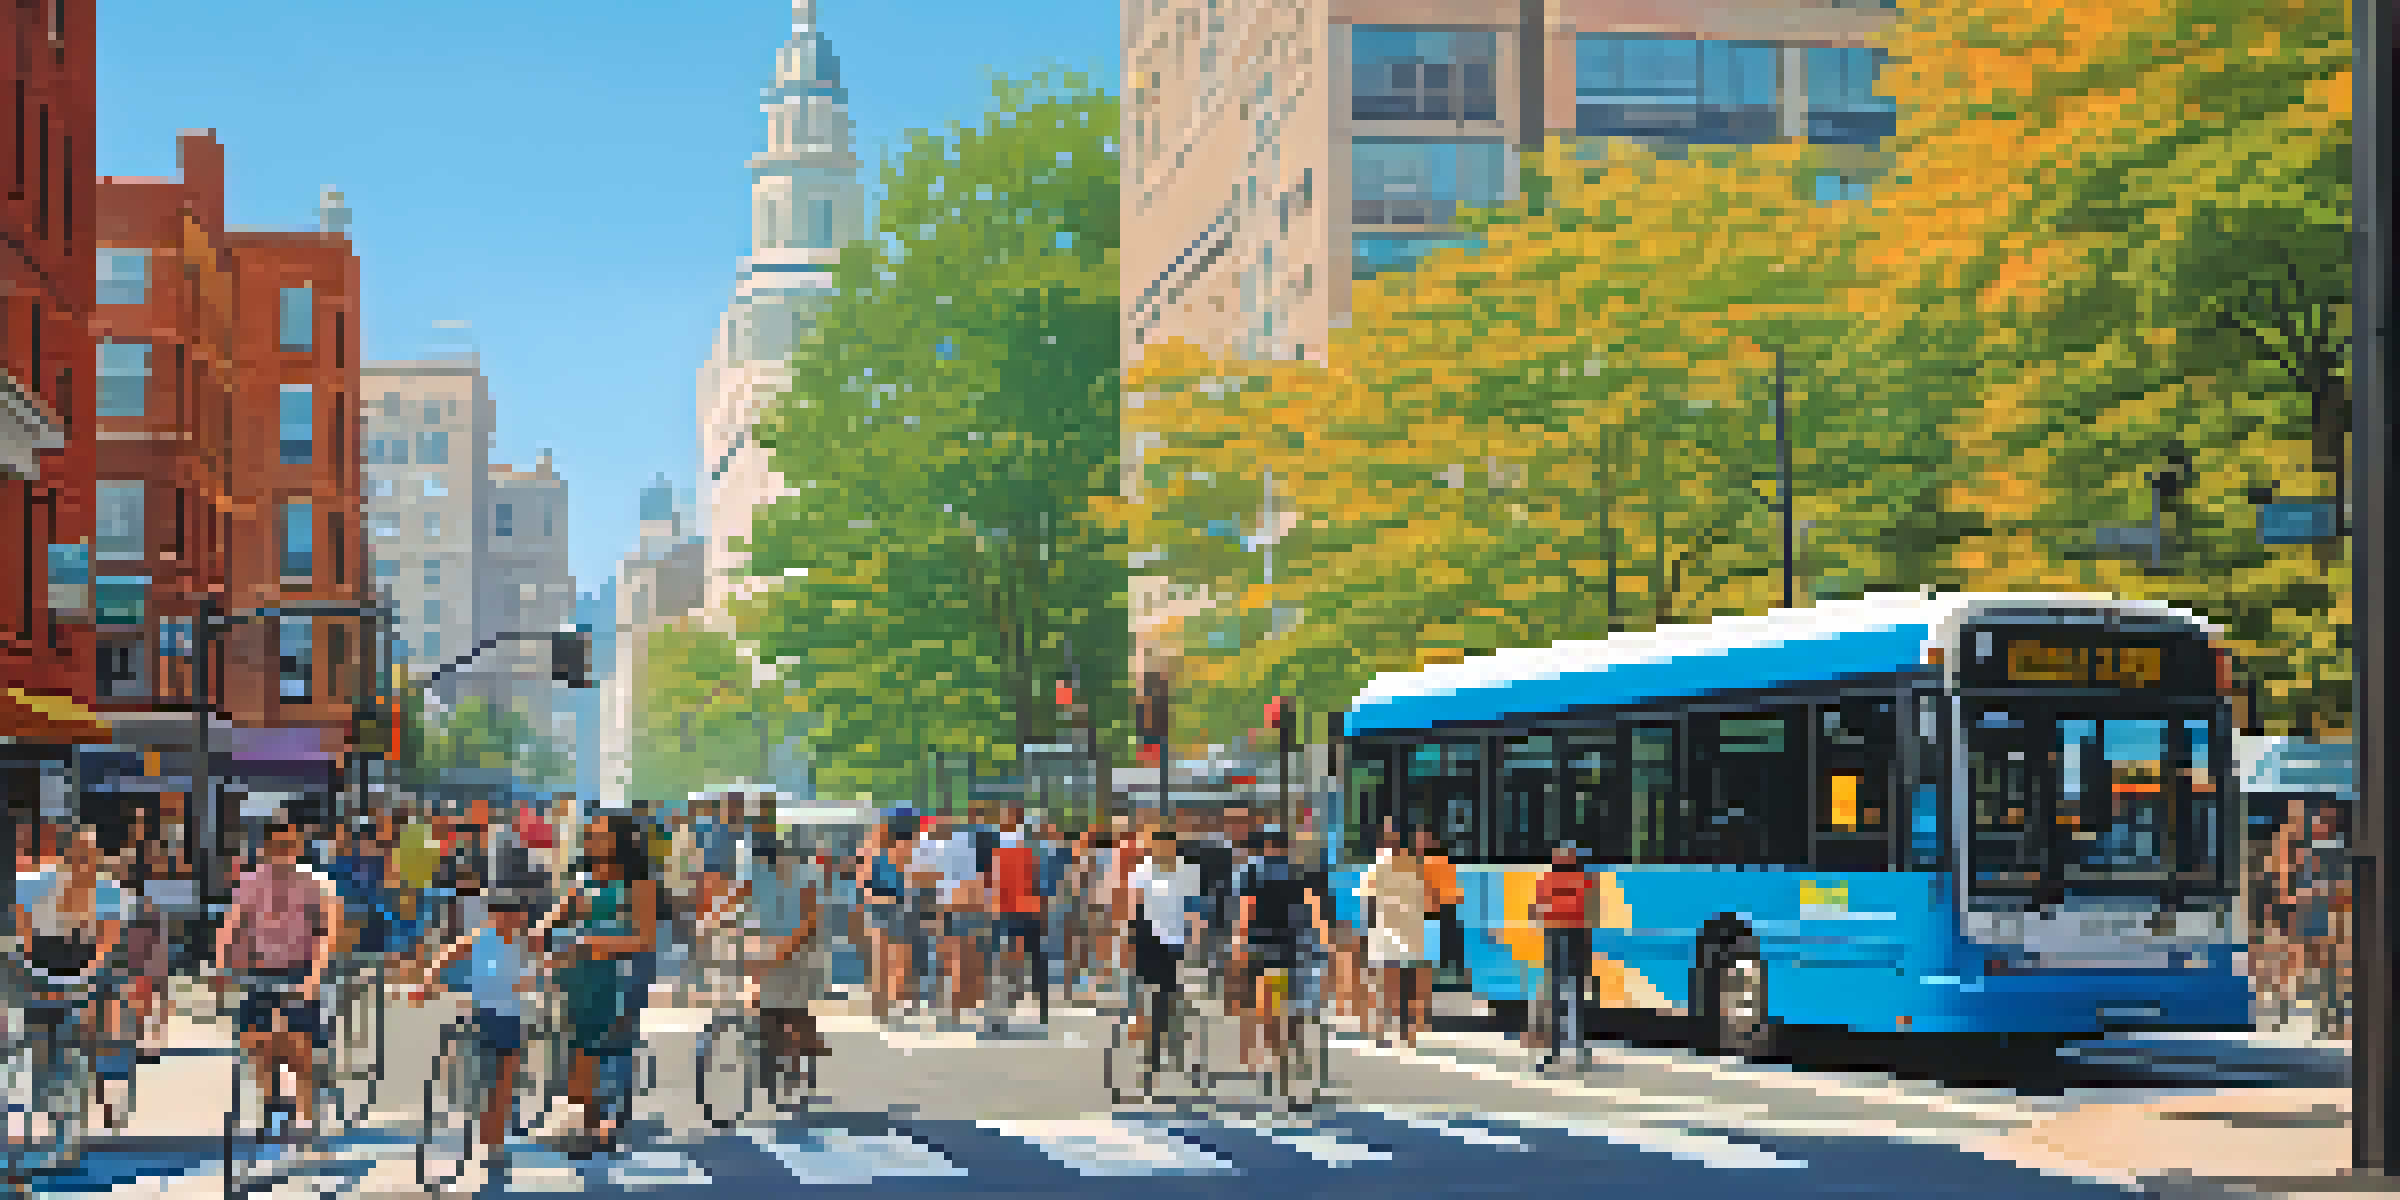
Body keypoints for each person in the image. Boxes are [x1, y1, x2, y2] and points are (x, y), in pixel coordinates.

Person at [543, 813, 660, 1154]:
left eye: (600, 834)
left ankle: (608, 1126)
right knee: (582, 1047)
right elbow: (559, 915)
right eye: (591, 834)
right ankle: (591, 1123)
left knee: (614, 1046)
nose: (592, 840)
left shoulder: (639, 884)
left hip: (623, 975)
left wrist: (597, 943)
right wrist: (539, 930)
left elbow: (645, 938)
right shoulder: (583, 881)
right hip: (583, 976)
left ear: (619, 841)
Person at [215, 822, 339, 1136]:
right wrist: (222, 965)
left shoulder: (317, 882)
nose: (283, 852)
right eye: (277, 845)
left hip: (302, 970)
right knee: (256, 1041)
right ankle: (272, 1102)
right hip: (261, 970)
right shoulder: (251, 882)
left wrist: (314, 976)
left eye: (289, 845)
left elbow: (326, 932)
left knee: (300, 1046)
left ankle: (306, 1116)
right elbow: (232, 924)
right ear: (266, 848)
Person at [417, 878, 547, 1163]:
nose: (507, 917)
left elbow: (537, 975)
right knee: (486, 1086)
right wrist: (428, 981)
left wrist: (526, 984)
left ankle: (493, 1146)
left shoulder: (528, 942)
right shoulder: (479, 937)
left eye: (512, 912)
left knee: (504, 1086)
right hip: (481, 1018)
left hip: (512, 1020)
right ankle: (488, 1138)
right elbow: (446, 956)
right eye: (500, 911)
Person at [1232, 829, 1331, 1072]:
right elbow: (1312, 906)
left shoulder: (1253, 873)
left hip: (1263, 944)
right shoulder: (1297, 873)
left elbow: (1246, 908)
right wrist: (1322, 938)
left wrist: (1239, 941)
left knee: (1268, 1002)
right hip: (1289, 944)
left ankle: (1277, 1049)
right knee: (1286, 1000)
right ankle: (1285, 1048)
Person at [745, 829, 831, 1092]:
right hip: (771, 949)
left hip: (802, 951)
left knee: (790, 1005)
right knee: (766, 1007)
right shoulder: (758, 879)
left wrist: (784, 948)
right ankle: (777, 1059)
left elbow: (811, 920)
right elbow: (740, 908)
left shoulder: (803, 877)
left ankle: (804, 1048)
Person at [1125, 828, 1200, 1062]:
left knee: (1165, 991)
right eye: (1156, 847)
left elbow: (1194, 906)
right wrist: (1129, 935)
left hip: (1173, 938)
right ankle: (1144, 1025)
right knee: (1144, 985)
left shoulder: (1187, 871)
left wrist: (1195, 932)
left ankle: (1158, 1039)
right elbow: (1133, 904)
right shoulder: (1143, 870)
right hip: (1146, 935)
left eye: (1166, 847)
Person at [1360, 827, 1434, 1047]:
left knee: (1393, 985)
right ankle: (1399, 1031)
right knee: (1399, 984)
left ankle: (1395, 1030)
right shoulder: (1410, 866)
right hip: (1399, 933)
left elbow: (1368, 902)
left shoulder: (1382, 867)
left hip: (1396, 933)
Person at [1528, 842, 1596, 1070]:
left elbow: (1539, 910)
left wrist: (1547, 912)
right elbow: (1537, 910)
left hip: (1568, 938)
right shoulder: (1565, 880)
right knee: (1562, 997)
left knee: (1567, 996)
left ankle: (1569, 1050)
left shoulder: (1576, 880)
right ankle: (1562, 1050)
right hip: (1563, 939)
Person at [987, 808, 1048, 1026]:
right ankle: (1039, 1008)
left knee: (1007, 963)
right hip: (1024, 911)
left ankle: (1005, 1010)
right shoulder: (1029, 849)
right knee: (1032, 961)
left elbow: (998, 886)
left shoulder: (1004, 852)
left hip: (1013, 913)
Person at [855, 820, 914, 1021]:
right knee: (883, 956)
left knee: (898, 955)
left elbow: (907, 884)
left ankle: (897, 998)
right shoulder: (873, 857)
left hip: (897, 908)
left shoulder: (899, 855)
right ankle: (882, 1002)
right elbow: (864, 886)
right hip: (880, 909)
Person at [1417, 828, 1465, 989]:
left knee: (1441, 948)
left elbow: (1436, 888)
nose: (1419, 844)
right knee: (1444, 948)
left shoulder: (1432, 861)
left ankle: (1442, 978)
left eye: (1422, 840)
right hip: (1442, 909)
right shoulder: (1436, 860)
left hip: (1440, 909)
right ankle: (1444, 977)